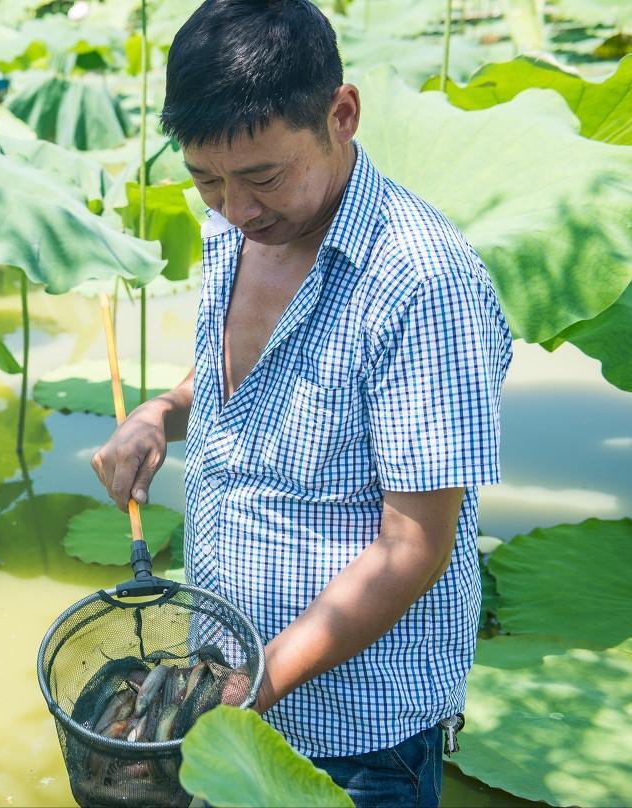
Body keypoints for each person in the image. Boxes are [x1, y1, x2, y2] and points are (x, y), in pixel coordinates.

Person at [88, 1, 513, 805]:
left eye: (261, 177)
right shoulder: (235, 227)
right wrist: (160, 413)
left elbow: (412, 549)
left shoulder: (423, 285)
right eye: (205, 179)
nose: (235, 208)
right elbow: (238, 384)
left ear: (340, 114)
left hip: (355, 736)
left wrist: (255, 685)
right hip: (224, 685)